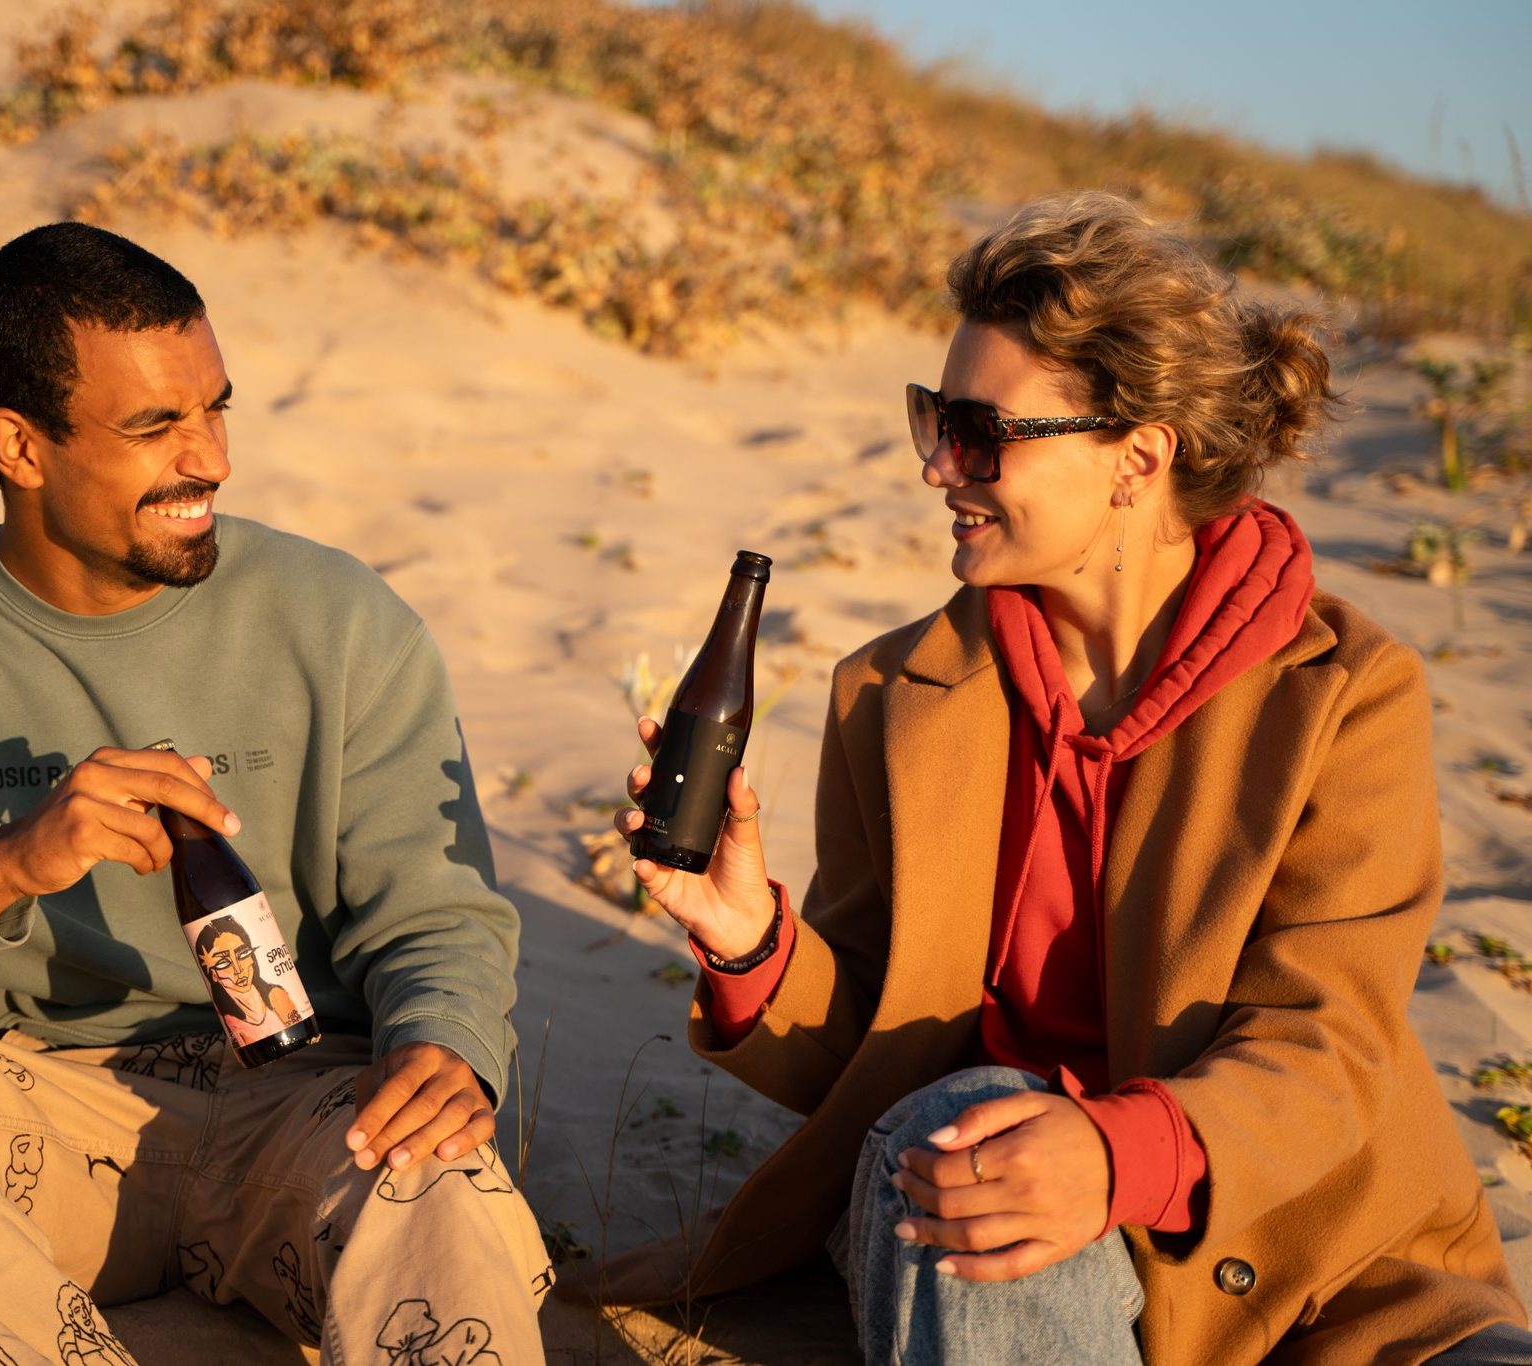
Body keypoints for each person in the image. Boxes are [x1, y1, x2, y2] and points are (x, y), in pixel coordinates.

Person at [597, 193, 1529, 1363]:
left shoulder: (1344, 698)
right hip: (1005, 1236)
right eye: (931, 418)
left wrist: (1112, 1153)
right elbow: (874, 1053)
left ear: (1137, 459)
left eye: (980, 432)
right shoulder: (891, 696)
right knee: (959, 1135)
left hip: (1317, 1274)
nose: (939, 465)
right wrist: (749, 944)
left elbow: (1325, 1042)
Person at [0, 222, 549, 1365]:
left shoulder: (339, 620)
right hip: (23, 1118)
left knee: (441, 1183)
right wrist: (2, 869)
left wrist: (442, 1043)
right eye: (155, 426)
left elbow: (436, 914)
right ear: (17, 445)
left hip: (307, 1112)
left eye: (215, 408)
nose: (210, 459)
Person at [194, 914, 305, 1045]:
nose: (238, 969)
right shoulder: (231, 1023)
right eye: (224, 963)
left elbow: (301, 1034)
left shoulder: (276, 996)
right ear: (213, 974)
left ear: (252, 957)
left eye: (243, 955)